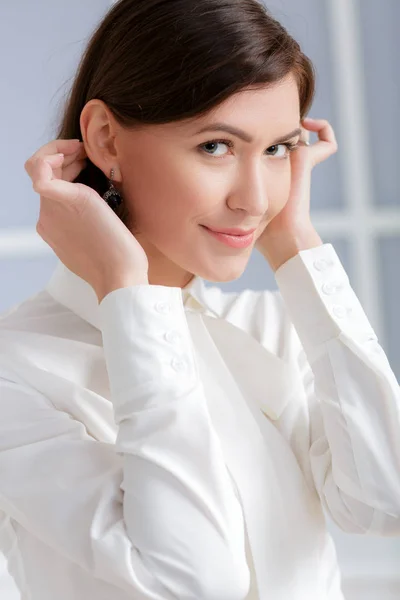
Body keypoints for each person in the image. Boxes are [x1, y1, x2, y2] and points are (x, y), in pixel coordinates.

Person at [1, 0, 399, 598]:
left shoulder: (270, 327)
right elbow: (194, 580)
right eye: (216, 146)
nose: (255, 199)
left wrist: (298, 246)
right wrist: (127, 294)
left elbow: (385, 500)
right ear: (106, 138)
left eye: (277, 149)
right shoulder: (16, 372)